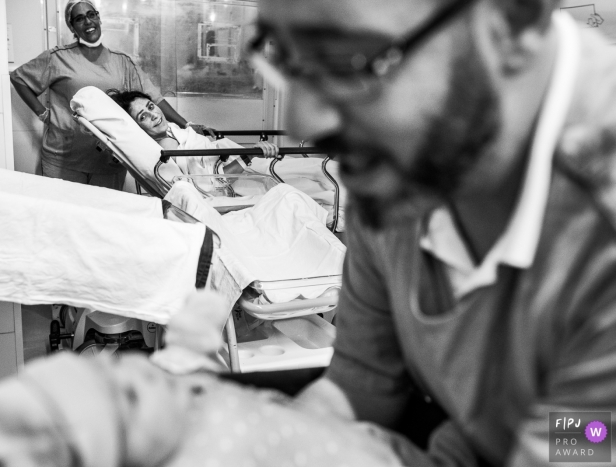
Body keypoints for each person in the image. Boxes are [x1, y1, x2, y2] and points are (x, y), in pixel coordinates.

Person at [248, 0, 616, 465]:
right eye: (281, 53)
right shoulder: (409, 166)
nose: (303, 122)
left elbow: (580, 447)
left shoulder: (599, 239)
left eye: (344, 59)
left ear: (513, 22)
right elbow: (362, 382)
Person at [10, 0, 210, 190]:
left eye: (91, 15)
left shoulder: (122, 62)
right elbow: (19, 78)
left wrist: (186, 125)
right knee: (66, 218)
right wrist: (42, 113)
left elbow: (154, 99)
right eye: (79, 19)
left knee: (105, 219)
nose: (88, 21)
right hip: (64, 157)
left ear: (99, 18)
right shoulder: (58, 58)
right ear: (71, 27)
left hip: (109, 160)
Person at [109, 89, 346, 230]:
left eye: (151, 106)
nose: (154, 115)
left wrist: (213, 140)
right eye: (143, 116)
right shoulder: (163, 157)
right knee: (296, 179)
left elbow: (211, 152)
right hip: (238, 179)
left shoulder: (175, 131)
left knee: (304, 167)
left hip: (237, 162)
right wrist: (247, 156)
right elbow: (213, 184)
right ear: (137, 127)